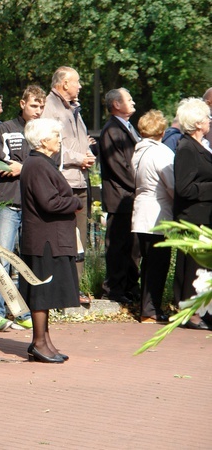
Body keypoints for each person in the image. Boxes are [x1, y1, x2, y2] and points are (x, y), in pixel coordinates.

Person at [20, 118, 82, 363]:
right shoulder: (37, 165)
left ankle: (45, 341)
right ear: (44, 141)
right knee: (42, 293)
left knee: (46, 292)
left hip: (49, 238)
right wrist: (75, 202)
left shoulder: (41, 163)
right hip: (44, 239)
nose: (59, 139)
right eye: (55, 136)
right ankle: (38, 342)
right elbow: (50, 202)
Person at [0, 85, 46, 331]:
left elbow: (48, 165)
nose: (38, 111)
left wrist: (23, 168)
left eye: (42, 106)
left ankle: (22, 310)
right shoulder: (6, 128)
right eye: (34, 105)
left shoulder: (45, 131)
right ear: (22, 104)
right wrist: (28, 167)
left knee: (29, 260)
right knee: (2, 257)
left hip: (34, 205)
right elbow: (0, 164)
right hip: (8, 203)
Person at [41, 67, 95, 291]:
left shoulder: (75, 109)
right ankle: (60, 289)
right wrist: (78, 158)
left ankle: (76, 288)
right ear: (64, 83)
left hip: (80, 180)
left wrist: (89, 154)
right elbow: (48, 144)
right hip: (63, 182)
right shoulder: (49, 107)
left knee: (79, 238)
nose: (80, 86)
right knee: (62, 237)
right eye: (77, 81)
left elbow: (76, 141)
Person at [172, 98, 212, 330]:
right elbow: (184, 188)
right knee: (192, 268)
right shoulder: (186, 148)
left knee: (203, 268)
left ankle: (202, 310)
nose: (209, 121)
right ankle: (190, 313)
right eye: (207, 117)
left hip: (204, 217)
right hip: (193, 217)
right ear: (197, 123)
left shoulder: (202, 145)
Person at [131, 110, 174, 323]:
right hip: (158, 212)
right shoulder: (161, 153)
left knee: (148, 263)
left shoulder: (138, 151)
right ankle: (150, 309)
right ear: (162, 131)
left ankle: (146, 307)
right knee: (158, 264)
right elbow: (172, 185)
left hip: (141, 210)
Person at [99, 88, 141, 304]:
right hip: (120, 197)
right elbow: (120, 166)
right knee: (118, 245)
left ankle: (130, 286)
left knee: (132, 246)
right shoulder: (111, 130)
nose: (133, 102)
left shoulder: (127, 127)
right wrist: (140, 183)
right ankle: (114, 289)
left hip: (130, 197)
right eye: (129, 99)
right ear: (116, 104)